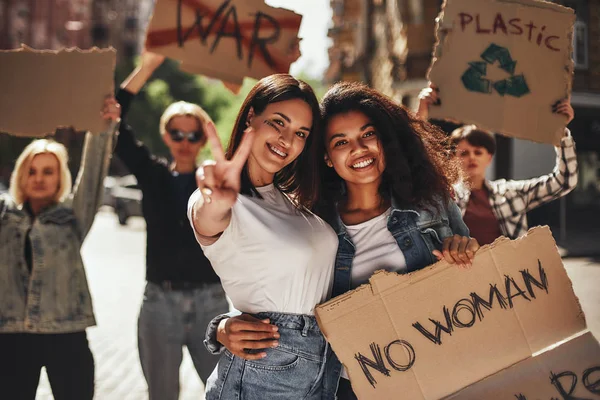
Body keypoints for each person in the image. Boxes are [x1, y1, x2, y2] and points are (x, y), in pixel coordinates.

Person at [198, 81, 480, 400]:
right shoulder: (317, 221)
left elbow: (476, 286)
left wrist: (467, 253)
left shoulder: (432, 205)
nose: (358, 149)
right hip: (349, 387)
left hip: (435, 378)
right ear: (328, 157)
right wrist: (222, 328)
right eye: (341, 141)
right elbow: (284, 288)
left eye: (368, 134)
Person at [188, 73, 337, 399]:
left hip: (322, 370)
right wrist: (217, 200)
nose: (287, 139)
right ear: (251, 115)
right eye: (278, 123)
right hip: (264, 369)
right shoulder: (224, 202)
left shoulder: (295, 200)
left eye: (300, 133)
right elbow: (208, 218)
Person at [115, 51, 229, 399]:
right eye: (177, 133)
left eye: (193, 135)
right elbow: (113, 124)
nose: (184, 142)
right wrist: (146, 67)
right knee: (161, 394)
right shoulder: (153, 175)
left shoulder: (219, 182)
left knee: (226, 391)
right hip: (159, 302)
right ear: (166, 136)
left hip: (212, 303)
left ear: (202, 139)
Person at [0, 98, 120, 399]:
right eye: (32, 170)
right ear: (21, 175)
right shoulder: (4, 216)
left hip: (66, 333)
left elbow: (92, 174)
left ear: (59, 178)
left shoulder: (72, 216)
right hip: (10, 336)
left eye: (48, 171)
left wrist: (103, 126)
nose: (39, 178)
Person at [418, 84, 578, 245]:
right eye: (464, 153)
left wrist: (560, 131)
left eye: (478, 152)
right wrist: (421, 115)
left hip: (507, 269)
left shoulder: (511, 194)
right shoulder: (444, 196)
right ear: (452, 158)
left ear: (489, 157)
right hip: (461, 269)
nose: (471, 157)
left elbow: (564, 181)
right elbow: (415, 169)